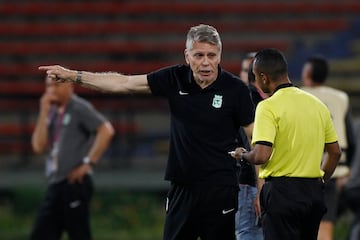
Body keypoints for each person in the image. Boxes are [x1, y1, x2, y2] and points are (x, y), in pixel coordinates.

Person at [39, 24, 255, 240]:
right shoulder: (175, 78)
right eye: (199, 55)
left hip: (221, 189)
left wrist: (261, 188)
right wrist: (74, 76)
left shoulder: (236, 90)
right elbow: (123, 83)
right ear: (187, 56)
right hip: (182, 189)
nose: (206, 62)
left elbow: (256, 138)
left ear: (220, 56)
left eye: (212, 55)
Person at [230, 48, 342, 240]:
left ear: (264, 77)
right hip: (312, 192)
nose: (255, 82)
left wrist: (242, 155)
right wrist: (321, 180)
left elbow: (262, 155)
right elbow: (335, 153)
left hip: (282, 194)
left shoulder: (267, 106)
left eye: (256, 76)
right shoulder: (317, 105)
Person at [30, 76, 114, 240]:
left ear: (69, 86)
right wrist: (43, 112)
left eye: (56, 85)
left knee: (78, 234)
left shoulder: (78, 107)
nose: (51, 90)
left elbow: (106, 130)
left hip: (74, 183)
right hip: (56, 181)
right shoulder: (52, 111)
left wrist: (88, 163)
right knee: (42, 233)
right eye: (48, 86)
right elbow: (38, 147)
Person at [301, 56, 356, 240]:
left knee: (298, 224)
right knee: (325, 223)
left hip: (300, 170)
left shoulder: (298, 95)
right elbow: (350, 137)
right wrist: (346, 170)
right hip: (333, 170)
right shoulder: (341, 98)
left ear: (307, 73)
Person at [236, 54, 264, 240]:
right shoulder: (250, 101)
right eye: (245, 70)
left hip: (250, 183)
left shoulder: (256, 103)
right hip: (249, 182)